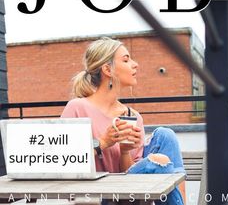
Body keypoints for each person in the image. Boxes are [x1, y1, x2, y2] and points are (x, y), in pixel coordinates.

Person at [61, 37, 185, 205]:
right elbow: (62, 162)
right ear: (107, 69)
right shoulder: (77, 108)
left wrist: (125, 151)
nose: (135, 64)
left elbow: (129, 178)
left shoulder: (132, 116)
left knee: (166, 135)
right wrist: (104, 142)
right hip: (98, 198)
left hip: (129, 195)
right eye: (126, 60)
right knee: (159, 161)